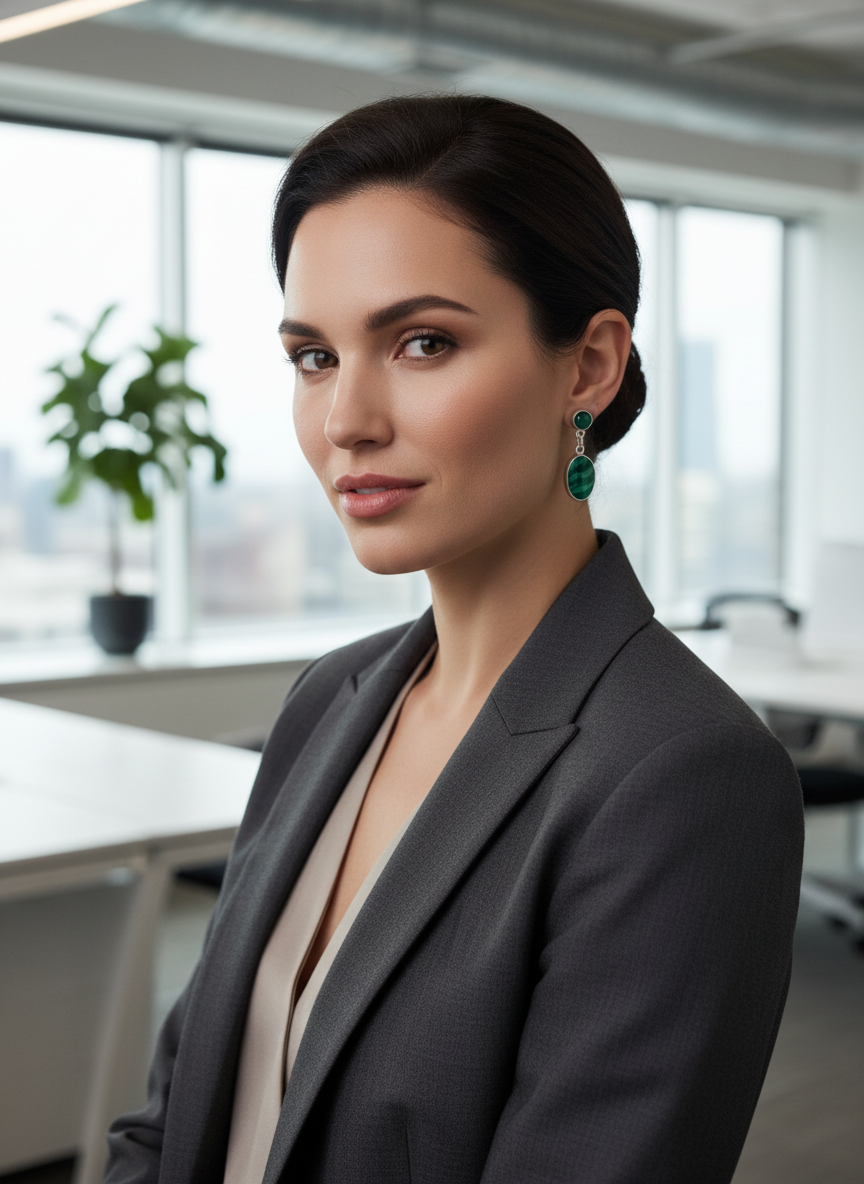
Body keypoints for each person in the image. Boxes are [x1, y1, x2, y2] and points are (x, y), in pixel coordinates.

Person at [105, 95, 803, 1184]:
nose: (347, 420)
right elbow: (173, 1108)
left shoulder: (681, 771)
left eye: (422, 341)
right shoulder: (330, 699)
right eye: (314, 355)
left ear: (588, 367)